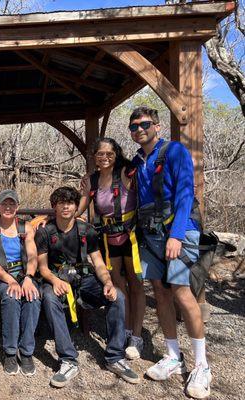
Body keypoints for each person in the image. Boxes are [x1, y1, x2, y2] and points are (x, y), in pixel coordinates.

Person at [128, 106, 209, 399]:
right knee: (160, 293)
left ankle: (202, 364)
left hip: (177, 229)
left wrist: (176, 235)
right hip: (150, 233)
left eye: (144, 124)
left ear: (157, 126)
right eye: (134, 126)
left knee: (181, 292)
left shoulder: (174, 151)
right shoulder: (138, 161)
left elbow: (186, 193)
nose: (139, 129)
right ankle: (173, 355)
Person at [36, 186, 140, 388]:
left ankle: (114, 357)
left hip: (85, 278)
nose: (66, 207)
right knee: (49, 298)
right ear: (54, 207)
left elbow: (98, 262)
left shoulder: (87, 231)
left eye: (70, 203)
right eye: (61, 203)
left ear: (77, 206)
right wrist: (55, 281)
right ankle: (67, 359)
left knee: (117, 296)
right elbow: (42, 268)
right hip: (57, 279)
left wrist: (108, 282)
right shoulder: (45, 232)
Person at [78, 138, 146, 360]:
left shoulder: (127, 173)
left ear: (116, 154)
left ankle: (136, 336)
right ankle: (124, 330)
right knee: (118, 284)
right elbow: (80, 207)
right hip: (108, 238)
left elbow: (146, 193)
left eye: (109, 153)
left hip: (130, 237)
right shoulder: (93, 180)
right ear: (94, 156)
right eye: (100, 154)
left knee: (136, 284)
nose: (104, 157)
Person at [0, 189, 41, 376]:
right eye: (4, 204)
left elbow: (33, 257)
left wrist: (28, 278)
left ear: (17, 207)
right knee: (11, 298)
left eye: (12, 204)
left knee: (32, 298)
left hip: (24, 274)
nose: (8, 207)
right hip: (3, 276)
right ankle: (9, 351)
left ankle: (26, 351)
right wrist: (11, 281)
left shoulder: (26, 227)